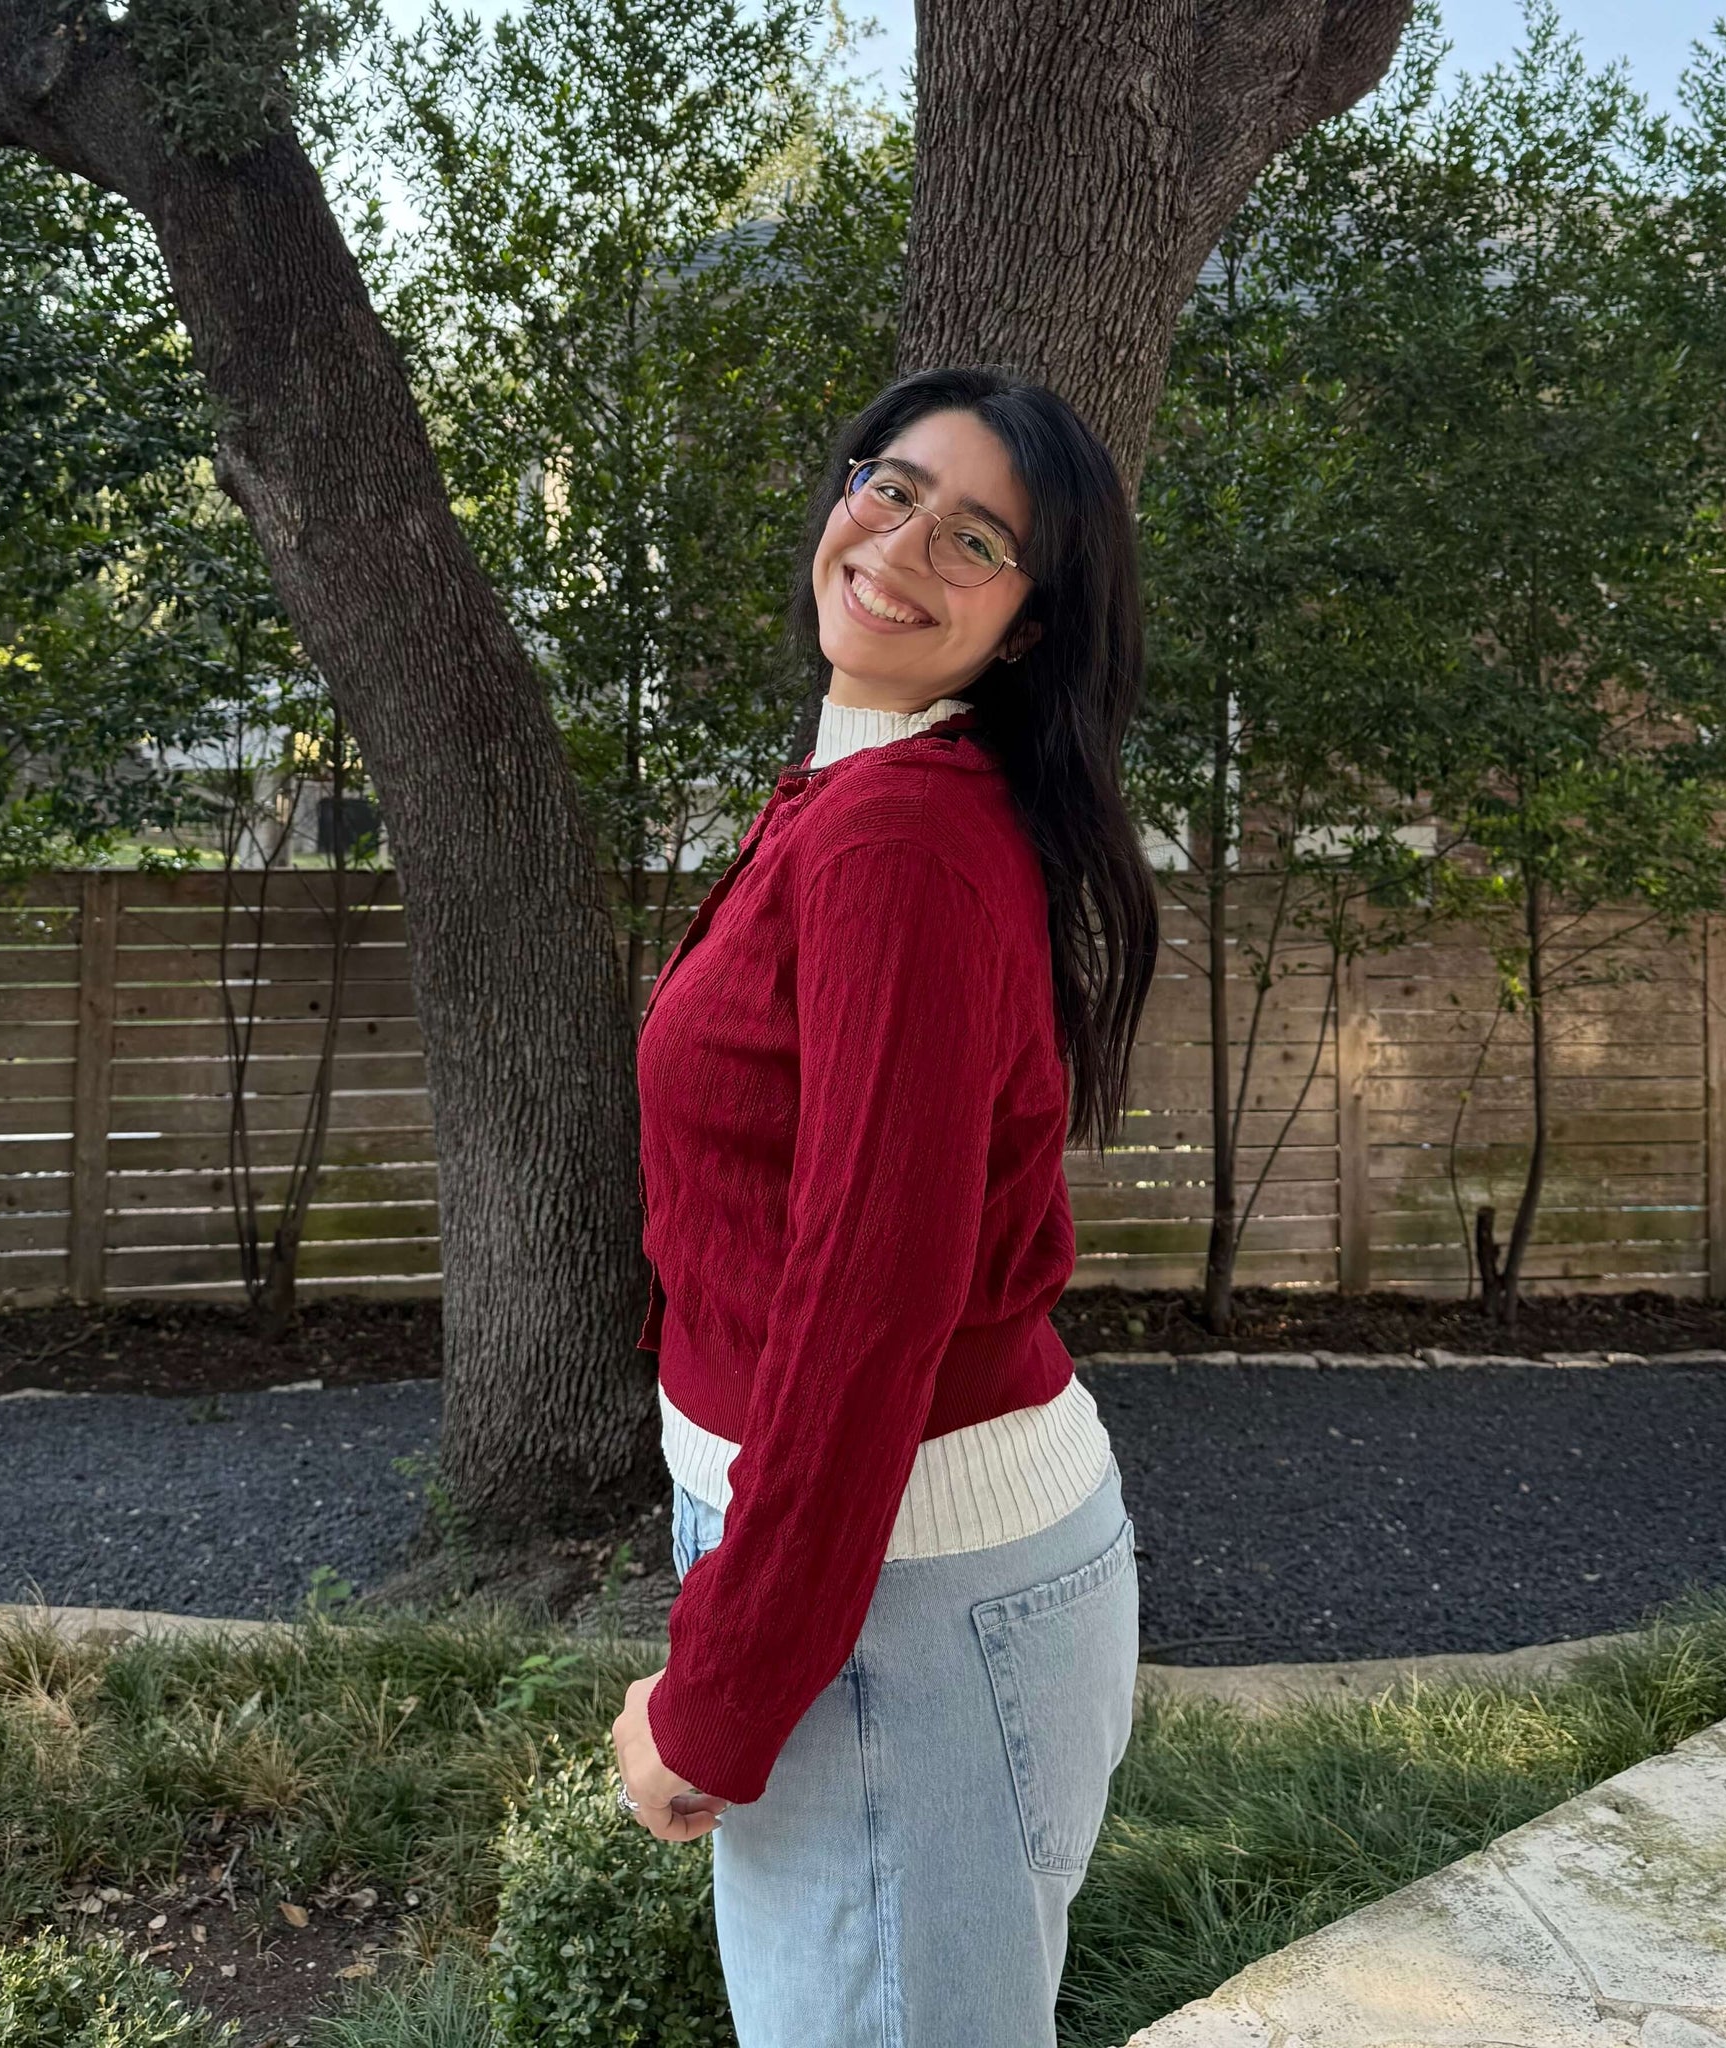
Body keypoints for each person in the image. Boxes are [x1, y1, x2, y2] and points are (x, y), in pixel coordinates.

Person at [610, 363, 1161, 2047]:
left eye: (977, 538)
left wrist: (721, 1697)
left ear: (1029, 624)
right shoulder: (853, 803)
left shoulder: (898, 846)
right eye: (893, 486)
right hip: (872, 1573)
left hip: (905, 1599)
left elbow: (869, 1307)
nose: (904, 544)